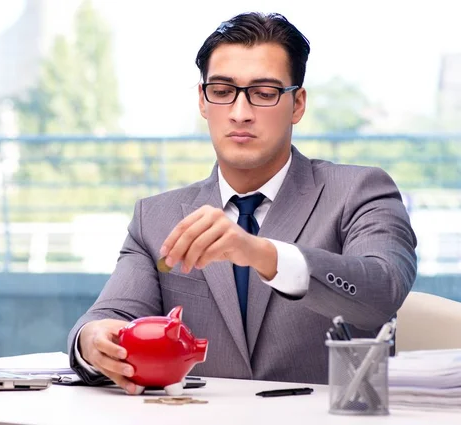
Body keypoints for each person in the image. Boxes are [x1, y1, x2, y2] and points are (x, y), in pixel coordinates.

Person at [67, 12, 417, 394]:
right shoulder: (155, 217)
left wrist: (260, 253)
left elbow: (382, 293)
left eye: (264, 94)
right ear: (203, 100)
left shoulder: (359, 191)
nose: (239, 113)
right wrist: (91, 341)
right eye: (222, 91)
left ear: (297, 104)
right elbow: (110, 316)